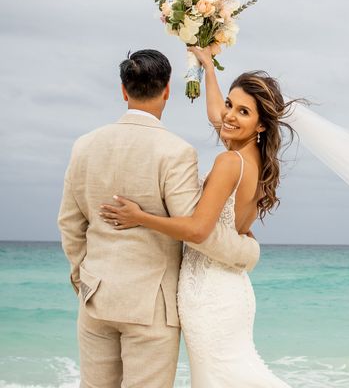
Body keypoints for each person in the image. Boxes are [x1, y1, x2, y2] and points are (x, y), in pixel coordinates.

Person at [99, 44, 303, 387]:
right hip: (230, 289)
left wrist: (140, 217)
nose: (229, 116)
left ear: (261, 126)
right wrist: (208, 67)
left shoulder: (229, 162)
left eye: (243, 112)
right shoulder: (254, 160)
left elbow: (196, 230)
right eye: (229, 104)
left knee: (218, 377)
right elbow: (216, 116)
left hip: (208, 291)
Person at [58, 49, 259, 388]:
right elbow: (197, 229)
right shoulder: (176, 152)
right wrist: (247, 251)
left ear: (123, 91)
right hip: (153, 306)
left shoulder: (84, 145)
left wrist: (84, 280)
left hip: (95, 297)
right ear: (168, 90)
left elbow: (70, 224)